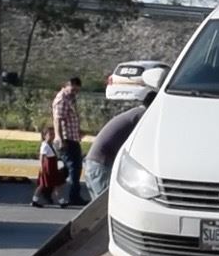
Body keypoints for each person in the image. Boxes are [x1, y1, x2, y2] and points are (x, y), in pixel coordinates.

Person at [85, 69, 163, 199]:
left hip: (94, 162)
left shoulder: (135, 113)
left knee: (98, 212)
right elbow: (142, 145)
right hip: (101, 164)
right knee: (107, 206)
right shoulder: (143, 116)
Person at [51, 76, 85, 205]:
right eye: (72, 90)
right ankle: (74, 197)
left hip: (72, 137)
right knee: (75, 167)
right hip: (66, 139)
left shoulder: (70, 99)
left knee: (67, 169)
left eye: (77, 90)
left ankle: (48, 188)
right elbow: (57, 120)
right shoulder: (62, 100)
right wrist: (59, 137)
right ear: (65, 86)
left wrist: (78, 131)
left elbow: (70, 118)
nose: (74, 93)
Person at [33, 125, 64, 208]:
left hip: (53, 167)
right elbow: (42, 156)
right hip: (48, 168)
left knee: (56, 184)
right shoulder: (45, 145)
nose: (52, 136)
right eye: (50, 134)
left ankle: (62, 202)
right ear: (44, 136)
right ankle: (34, 200)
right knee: (42, 185)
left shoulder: (51, 144)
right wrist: (42, 167)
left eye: (53, 134)